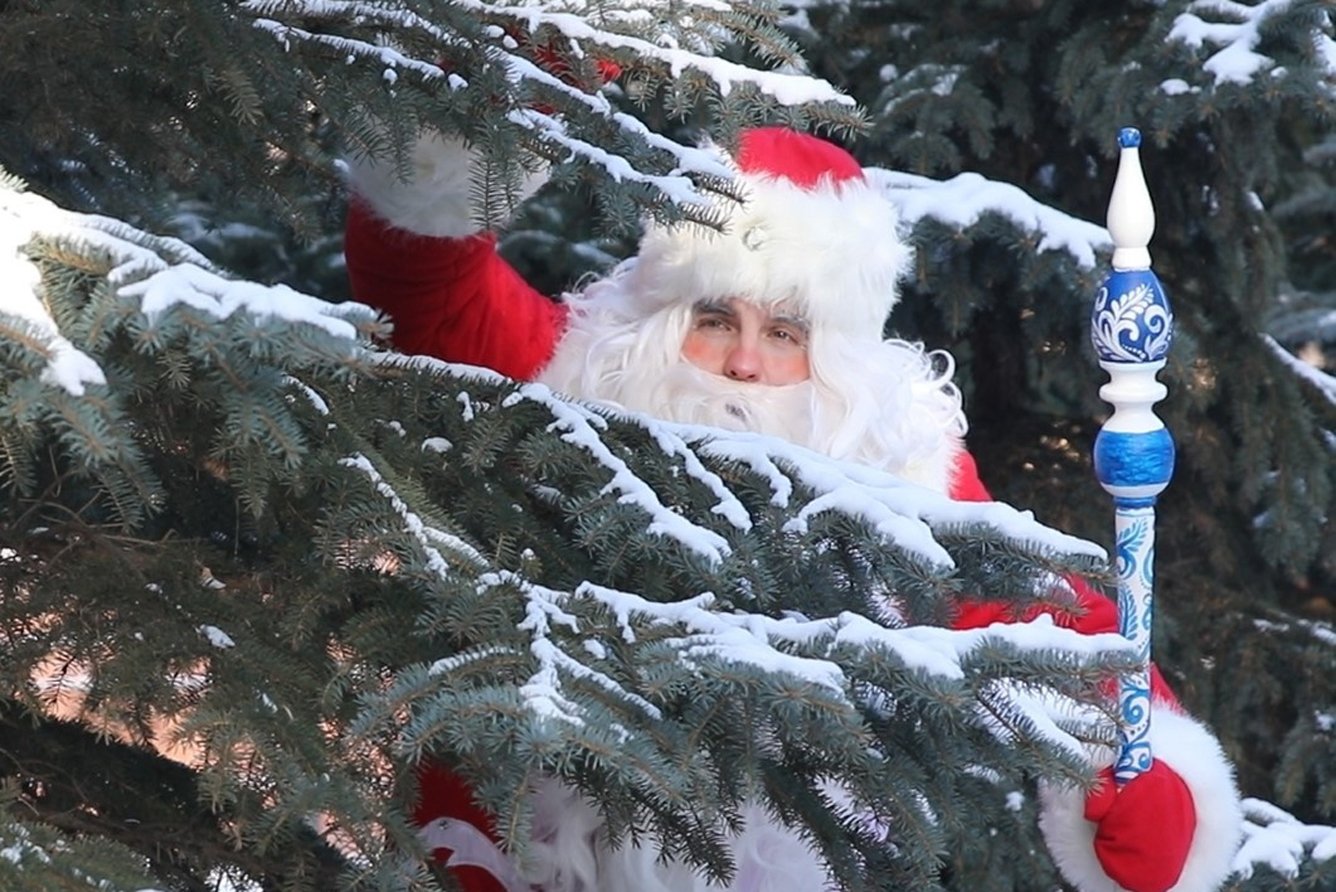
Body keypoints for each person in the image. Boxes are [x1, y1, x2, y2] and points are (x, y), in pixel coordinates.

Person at [343, 122, 1242, 892]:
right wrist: (502, 102)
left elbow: (1048, 620)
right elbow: (418, 274)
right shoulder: (570, 375)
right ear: (663, 313)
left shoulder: (898, 460)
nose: (743, 364)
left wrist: (1144, 768)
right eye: (714, 320)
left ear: (835, 355)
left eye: (782, 333)